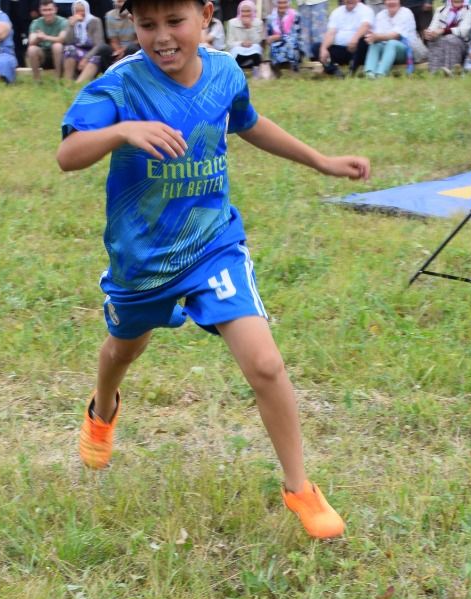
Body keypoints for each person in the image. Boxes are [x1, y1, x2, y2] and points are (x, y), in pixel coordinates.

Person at [58, 0, 369, 539]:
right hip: (144, 257)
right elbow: (69, 154)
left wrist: (321, 160)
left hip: (213, 245)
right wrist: (122, 132)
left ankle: (300, 488)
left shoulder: (224, 71)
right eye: (147, 24)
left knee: (265, 363)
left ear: (205, 16)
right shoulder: (122, 84)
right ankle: (102, 406)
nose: (161, 37)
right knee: (124, 348)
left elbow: (247, 123)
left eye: (174, 22)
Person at [363, 0, 417, 74]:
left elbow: (396, 36)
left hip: (406, 52)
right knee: (375, 44)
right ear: (384, 2)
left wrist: (376, 37)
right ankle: (369, 73)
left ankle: (380, 74)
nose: (391, 2)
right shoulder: (381, 15)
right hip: (386, 50)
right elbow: (377, 36)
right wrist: (370, 36)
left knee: (392, 43)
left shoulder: (406, 13)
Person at [319, 0, 372, 73]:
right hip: (341, 49)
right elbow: (331, 32)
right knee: (317, 47)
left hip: (357, 50)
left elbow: (365, 26)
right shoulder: (337, 12)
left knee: (364, 40)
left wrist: (354, 39)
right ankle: (334, 71)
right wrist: (323, 48)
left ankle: (352, 68)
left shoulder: (366, 10)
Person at [424, 0, 471, 72]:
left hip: (462, 43)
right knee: (434, 40)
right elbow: (432, 28)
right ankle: (435, 72)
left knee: (450, 39)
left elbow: (464, 31)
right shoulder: (440, 9)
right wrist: (429, 34)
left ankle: (451, 71)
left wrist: (443, 30)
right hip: (442, 39)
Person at [62, 0, 105, 77]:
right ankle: (67, 80)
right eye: (77, 11)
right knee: (69, 49)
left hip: (92, 51)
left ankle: (79, 83)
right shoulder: (71, 21)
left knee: (96, 58)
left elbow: (99, 45)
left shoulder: (95, 21)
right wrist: (71, 26)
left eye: (82, 10)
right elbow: (67, 41)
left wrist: (86, 58)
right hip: (78, 50)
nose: (80, 13)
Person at [26, 0, 66, 76]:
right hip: (43, 55)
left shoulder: (63, 22)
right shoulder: (36, 22)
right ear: (40, 11)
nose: (47, 13)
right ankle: (37, 80)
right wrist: (38, 38)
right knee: (31, 49)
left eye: (50, 10)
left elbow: (62, 39)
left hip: (60, 55)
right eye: (44, 10)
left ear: (55, 10)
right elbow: (31, 42)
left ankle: (57, 77)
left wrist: (45, 37)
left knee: (57, 46)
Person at [225, 0, 264, 72]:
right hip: (238, 49)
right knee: (236, 50)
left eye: (248, 11)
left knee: (257, 47)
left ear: (252, 11)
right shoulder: (232, 23)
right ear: (239, 11)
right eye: (243, 11)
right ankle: (238, 69)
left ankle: (255, 70)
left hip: (252, 48)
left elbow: (258, 41)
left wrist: (250, 27)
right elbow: (229, 43)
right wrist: (241, 43)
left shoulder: (258, 22)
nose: (245, 13)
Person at [264, 0, 299, 73]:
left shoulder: (295, 15)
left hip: (293, 44)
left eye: (284, 2)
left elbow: (296, 35)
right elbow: (269, 38)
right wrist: (271, 39)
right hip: (277, 44)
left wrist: (280, 37)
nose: (282, 5)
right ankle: (276, 70)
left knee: (290, 43)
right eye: (280, 3)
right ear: (276, 3)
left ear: (288, 3)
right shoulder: (270, 18)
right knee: (274, 46)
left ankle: (293, 68)